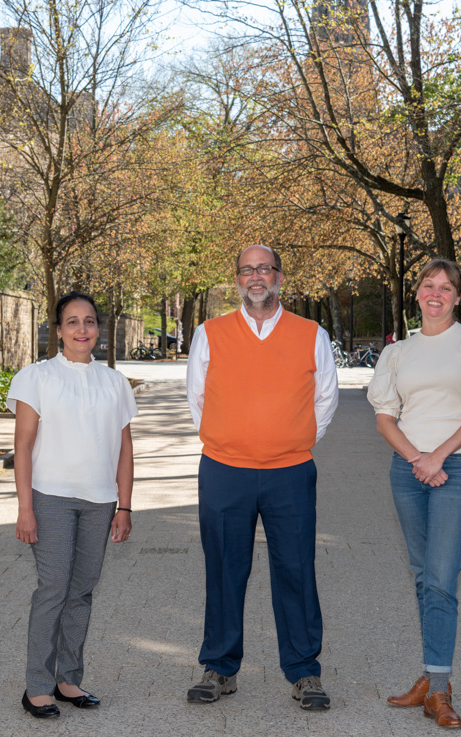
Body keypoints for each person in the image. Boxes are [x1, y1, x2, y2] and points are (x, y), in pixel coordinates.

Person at [185, 244, 339, 710]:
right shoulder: (209, 333)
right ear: (237, 278)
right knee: (224, 569)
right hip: (224, 471)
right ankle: (219, 667)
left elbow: (325, 401)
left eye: (264, 269)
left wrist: (288, 439)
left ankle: (304, 671)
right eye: (247, 270)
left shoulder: (312, 334)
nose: (256, 277)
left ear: (279, 276)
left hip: (290, 473)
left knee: (296, 569)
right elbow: (197, 399)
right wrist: (231, 440)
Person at [366, 259, 461, 729]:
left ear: (457, 297)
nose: (436, 293)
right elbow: (385, 417)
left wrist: (438, 457)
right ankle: (430, 677)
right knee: (424, 574)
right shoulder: (397, 353)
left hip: (460, 468)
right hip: (409, 470)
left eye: (446, 288)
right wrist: (416, 459)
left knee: (442, 578)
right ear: (418, 292)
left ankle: (440, 690)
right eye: (429, 285)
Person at [7, 291, 137, 719]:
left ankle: (69, 679)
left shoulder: (115, 382)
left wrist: (125, 506)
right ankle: (38, 686)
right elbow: (22, 447)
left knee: (81, 591)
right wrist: (25, 508)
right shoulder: (36, 377)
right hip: (51, 499)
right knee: (53, 589)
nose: (83, 329)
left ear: (98, 329)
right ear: (58, 329)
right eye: (73, 322)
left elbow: (124, 449)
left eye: (90, 321)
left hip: (101, 502)